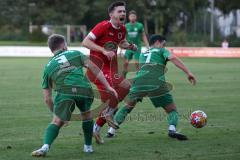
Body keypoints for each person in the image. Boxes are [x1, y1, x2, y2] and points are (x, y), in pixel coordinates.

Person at [31, 34, 118, 157]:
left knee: (56, 121)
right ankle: (88, 147)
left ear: (51, 49)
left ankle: (45, 147)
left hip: (65, 92)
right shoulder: (75, 53)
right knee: (87, 115)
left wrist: (57, 113)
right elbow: (94, 68)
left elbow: (47, 98)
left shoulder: (48, 67)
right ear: (64, 45)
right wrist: (108, 86)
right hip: (84, 89)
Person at [109, 35, 197, 140]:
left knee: (128, 106)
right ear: (158, 42)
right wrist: (188, 72)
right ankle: (172, 129)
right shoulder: (161, 50)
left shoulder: (143, 54)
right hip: (156, 82)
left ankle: (111, 131)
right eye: (164, 43)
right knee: (172, 110)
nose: (164, 46)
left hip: (139, 81)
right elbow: (172, 57)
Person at [82, 1, 137, 144]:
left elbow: (121, 42)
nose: (123, 14)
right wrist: (103, 50)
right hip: (96, 69)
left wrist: (130, 46)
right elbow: (85, 42)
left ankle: (96, 128)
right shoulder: (102, 26)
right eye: (120, 11)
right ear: (111, 14)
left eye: (124, 11)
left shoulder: (122, 29)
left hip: (110, 69)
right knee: (115, 96)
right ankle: (108, 115)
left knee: (119, 94)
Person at [122, 10, 149, 78]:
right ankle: (124, 74)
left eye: (134, 16)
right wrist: (122, 45)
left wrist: (147, 45)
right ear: (128, 17)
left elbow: (143, 36)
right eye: (131, 16)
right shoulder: (126, 26)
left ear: (136, 17)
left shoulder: (140, 25)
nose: (132, 17)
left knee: (137, 62)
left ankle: (139, 76)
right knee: (125, 62)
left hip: (137, 47)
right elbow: (123, 37)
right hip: (128, 47)